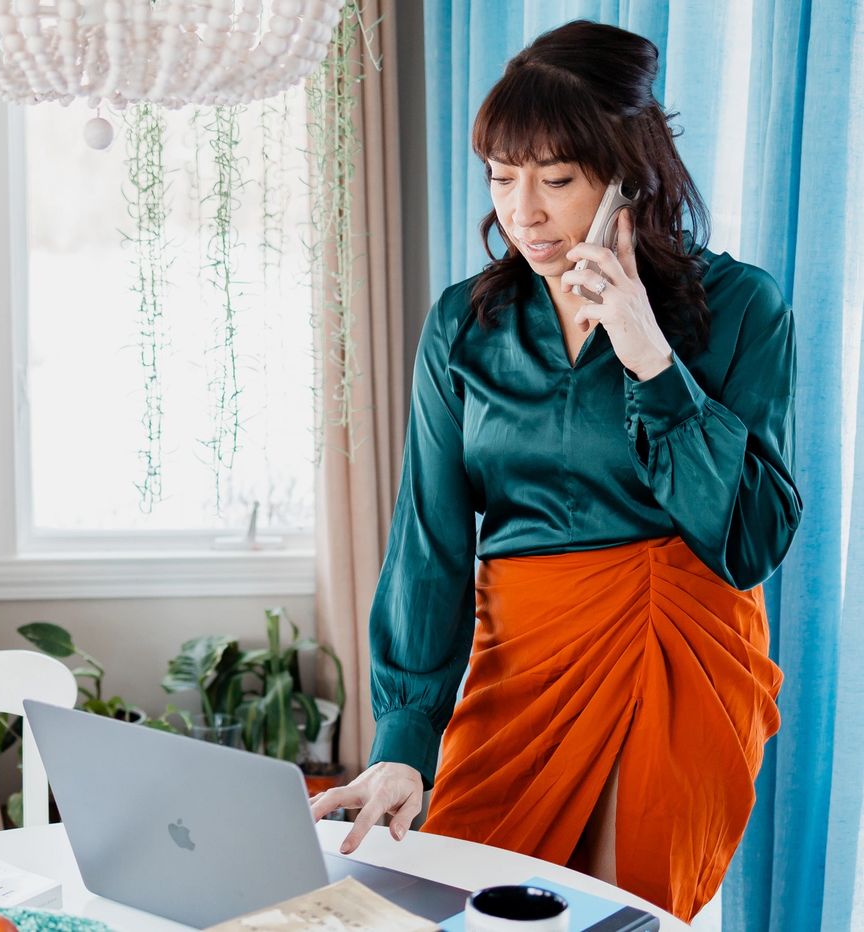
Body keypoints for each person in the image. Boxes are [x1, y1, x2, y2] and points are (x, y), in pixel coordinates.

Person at [309, 19, 801, 922]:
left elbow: (751, 541)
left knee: (618, 912)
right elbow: (429, 543)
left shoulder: (741, 307)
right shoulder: (464, 327)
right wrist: (406, 738)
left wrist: (650, 354)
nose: (522, 212)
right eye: (502, 177)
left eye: (558, 180)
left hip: (675, 647)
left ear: (630, 174)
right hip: (521, 662)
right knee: (455, 903)